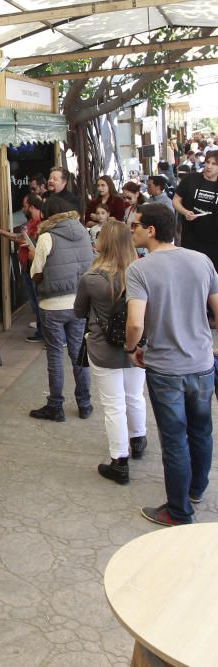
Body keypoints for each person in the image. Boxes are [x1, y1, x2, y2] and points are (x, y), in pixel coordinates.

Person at [126, 203, 218, 525]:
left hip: (165, 369)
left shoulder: (139, 269)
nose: (132, 230)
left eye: (136, 225)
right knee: (202, 430)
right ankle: (196, 489)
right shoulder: (201, 261)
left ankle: (179, 511)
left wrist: (131, 348)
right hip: (203, 364)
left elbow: (135, 324)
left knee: (175, 439)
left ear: (151, 231)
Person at [73, 220, 147, 485]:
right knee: (135, 395)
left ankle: (120, 460)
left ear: (105, 242)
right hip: (136, 345)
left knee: (113, 404)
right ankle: (138, 439)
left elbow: (79, 311)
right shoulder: (140, 272)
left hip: (104, 348)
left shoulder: (92, 278)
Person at [29, 197, 95, 422]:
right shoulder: (83, 231)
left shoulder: (46, 237)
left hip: (52, 305)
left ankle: (55, 406)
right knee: (79, 353)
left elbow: (36, 273)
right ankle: (85, 403)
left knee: (55, 355)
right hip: (79, 303)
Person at [0, 193, 44, 343]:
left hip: (36, 269)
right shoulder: (31, 222)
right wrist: (1, 231)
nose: (23, 208)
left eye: (25, 205)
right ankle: (42, 332)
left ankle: (46, 334)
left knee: (39, 303)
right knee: (35, 303)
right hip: (27, 268)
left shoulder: (42, 224)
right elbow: (19, 237)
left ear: (32, 207)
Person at [174, 152, 218, 272]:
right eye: (208, 162)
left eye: (214, 164)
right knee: (190, 272)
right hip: (190, 238)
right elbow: (176, 200)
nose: (209, 166)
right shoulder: (190, 179)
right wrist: (185, 212)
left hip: (213, 241)